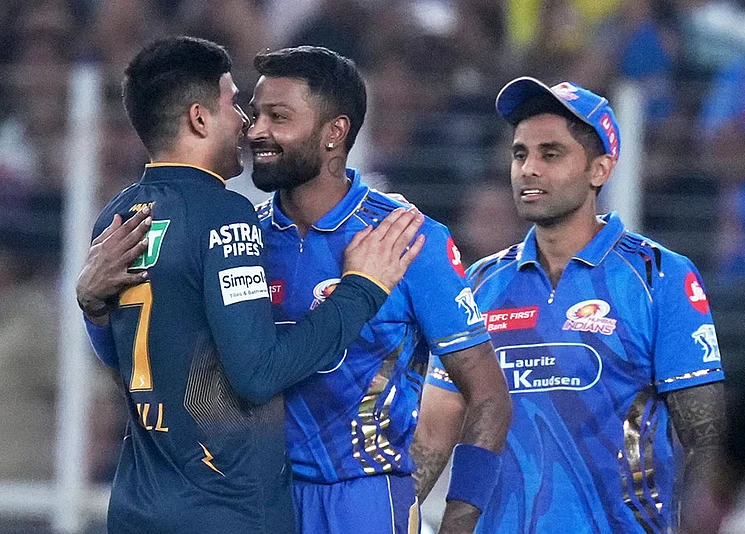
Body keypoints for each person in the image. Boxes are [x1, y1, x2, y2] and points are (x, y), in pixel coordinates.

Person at [76, 36, 425, 534]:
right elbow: (259, 373)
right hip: (225, 508)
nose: (246, 123)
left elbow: (122, 359)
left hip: (137, 505)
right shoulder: (227, 218)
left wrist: (91, 305)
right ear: (199, 119)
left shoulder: (118, 218)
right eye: (234, 103)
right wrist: (362, 289)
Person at [423, 77, 726, 533]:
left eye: (551, 153)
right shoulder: (479, 283)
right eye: (520, 153)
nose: (528, 168)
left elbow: (705, 439)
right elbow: (433, 429)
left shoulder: (659, 276)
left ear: (600, 170)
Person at [246, 46, 510, 534]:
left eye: (277, 117)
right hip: (258, 502)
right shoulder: (241, 241)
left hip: (366, 499)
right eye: (255, 114)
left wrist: (457, 521)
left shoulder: (408, 238)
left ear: (334, 133)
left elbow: (488, 393)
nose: (256, 130)